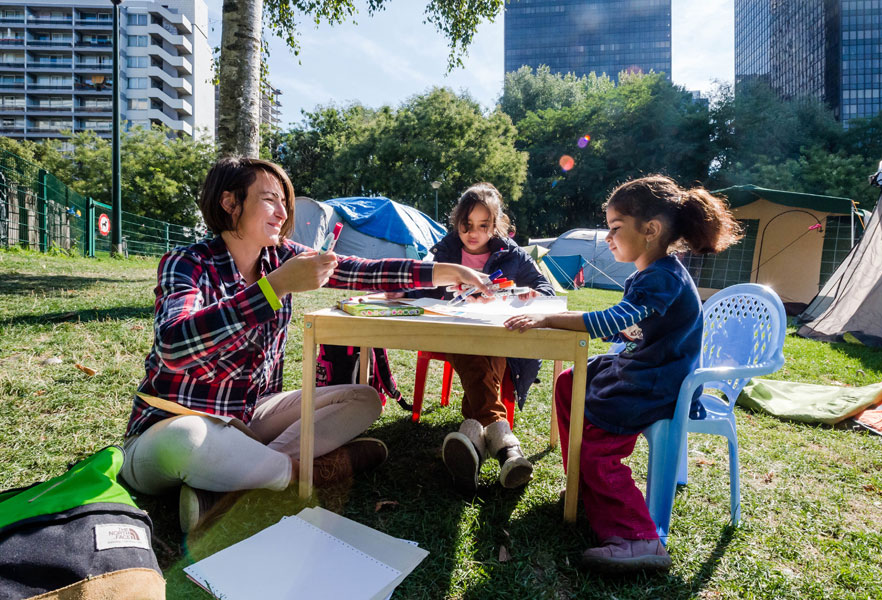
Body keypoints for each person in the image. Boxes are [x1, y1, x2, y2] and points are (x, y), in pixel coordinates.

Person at [120, 157, 488, 533]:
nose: (282, 213)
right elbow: (173, 346)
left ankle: (233, 480)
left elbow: (359, 270)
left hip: (250, 416)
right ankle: (305, 473)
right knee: (188, 439)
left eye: (285, 202)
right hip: (171, 422)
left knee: (364, 398)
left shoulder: (282, 256)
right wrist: (274, 287)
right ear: (230, 203)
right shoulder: (187, 263)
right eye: (269, 200)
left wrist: (444, 271)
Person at [504, 175, 741, 572]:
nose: (609, 238)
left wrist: (550, 315)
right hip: (643, 364)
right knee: (568, 384)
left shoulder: (663, 275)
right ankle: (583, 485)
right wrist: (568, 317)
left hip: (658, 381)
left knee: (599, 440)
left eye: (615, 228)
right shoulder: (652, 274)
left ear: (650, 230)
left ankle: (639, 538)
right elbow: (630, 327)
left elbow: (614, 318)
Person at [406, 183, 555, 493]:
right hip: (451, 333)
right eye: (467, 225)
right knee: (473, 346)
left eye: (483, 226)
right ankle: (506, 446)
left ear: (496, 224)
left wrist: (527, 294)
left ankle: (473, 438)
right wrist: (447, 293)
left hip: (495, 333)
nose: (473, 233)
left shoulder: (510, 252)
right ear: (457, 221)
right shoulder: (444, 249)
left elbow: (546, 290)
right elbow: (416, 287)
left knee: (489, 349)